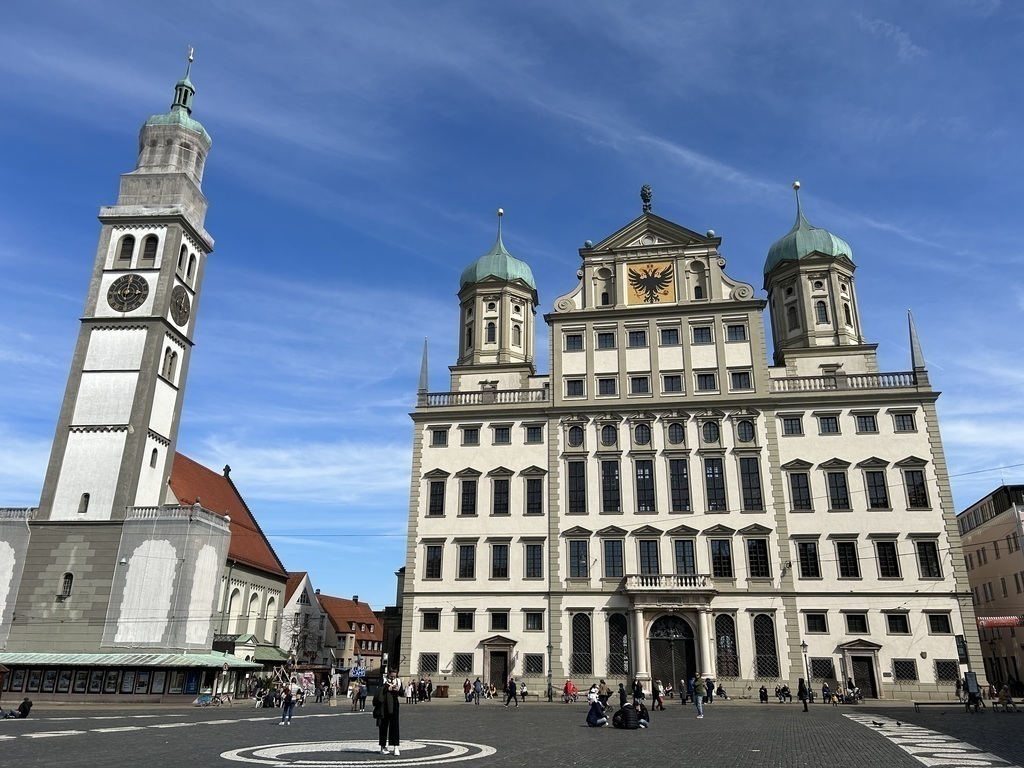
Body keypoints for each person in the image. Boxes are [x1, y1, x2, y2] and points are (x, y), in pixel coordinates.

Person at [374, 669, 403, 755]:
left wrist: (398, 689)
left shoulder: (398, 681)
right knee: (383, 726)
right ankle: (382, 746)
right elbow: (378, 691)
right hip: (384, 705)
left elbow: (402, 693)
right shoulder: (383, 680)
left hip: (394, 705)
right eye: (391, 676)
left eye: (395, 676)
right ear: (388, 675)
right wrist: (387, 689)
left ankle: (396, 746)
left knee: (394, 726)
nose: (393, 678)